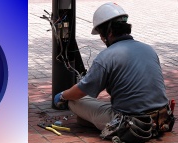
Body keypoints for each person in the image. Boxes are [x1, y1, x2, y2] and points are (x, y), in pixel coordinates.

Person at [54, 2, 169, 131]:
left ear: (108, 33)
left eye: (101, 35)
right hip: (161, 119)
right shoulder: (149, 49)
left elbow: (81, 91)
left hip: (129, 123)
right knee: (87, 114)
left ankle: (102, 123)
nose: (102, 39)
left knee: (74, 101)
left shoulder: (106, 57)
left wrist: (62, 96)